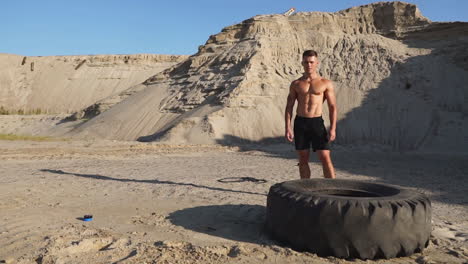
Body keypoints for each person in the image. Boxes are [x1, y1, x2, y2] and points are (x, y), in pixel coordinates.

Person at [284, 50, 337, 179]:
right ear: (302, 63)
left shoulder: (325, 83)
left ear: (317, 63)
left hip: (316, 122)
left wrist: (333, 129)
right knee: (303, 158)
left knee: (325, 157)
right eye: (306, 62)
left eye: (312, 62)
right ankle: (306, 188)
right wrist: (288, 128)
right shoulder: (296, 84)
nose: (309, 65)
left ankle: (333, 189)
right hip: (300, 123)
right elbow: (289, 106)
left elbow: (332, 107)